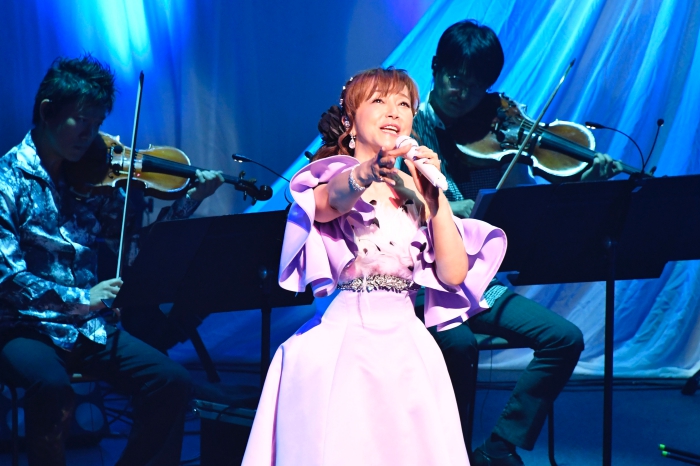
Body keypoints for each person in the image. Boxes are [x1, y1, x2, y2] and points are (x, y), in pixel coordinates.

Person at [241, 67, 507, 465]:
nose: (394, 111)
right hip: (343, 347)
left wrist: (434, 197)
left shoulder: (413, 188)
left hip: (407, 348)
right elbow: (331, 200)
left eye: (404, 104)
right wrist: (365, 172)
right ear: (350, 122)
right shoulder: (332, 176)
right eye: (379, 101)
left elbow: (453, 274)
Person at [405, 20, 621, 465]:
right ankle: (448, 454)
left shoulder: (497, 130)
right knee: (459, 345)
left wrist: (585, 176)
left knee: (564, 339)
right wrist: (457, 208)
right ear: (435, 69)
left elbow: (537, 190)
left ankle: (498, 448)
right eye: (455, 78)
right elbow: (412, 207)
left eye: (476, 85)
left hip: (478, 283)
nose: (463, 93)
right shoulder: (410, 129)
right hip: (422, 282)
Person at [0, 55, 223, 466]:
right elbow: (7, 280)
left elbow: (136, 251)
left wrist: (189, 200)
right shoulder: (6, 180)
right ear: (47, 112)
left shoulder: (89, 178)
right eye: (81, 120)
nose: (90, 135)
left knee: (171, 382)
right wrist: (83, 299)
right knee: (52, 387)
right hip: (24, 329)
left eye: (97, 123)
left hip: (89, 328)